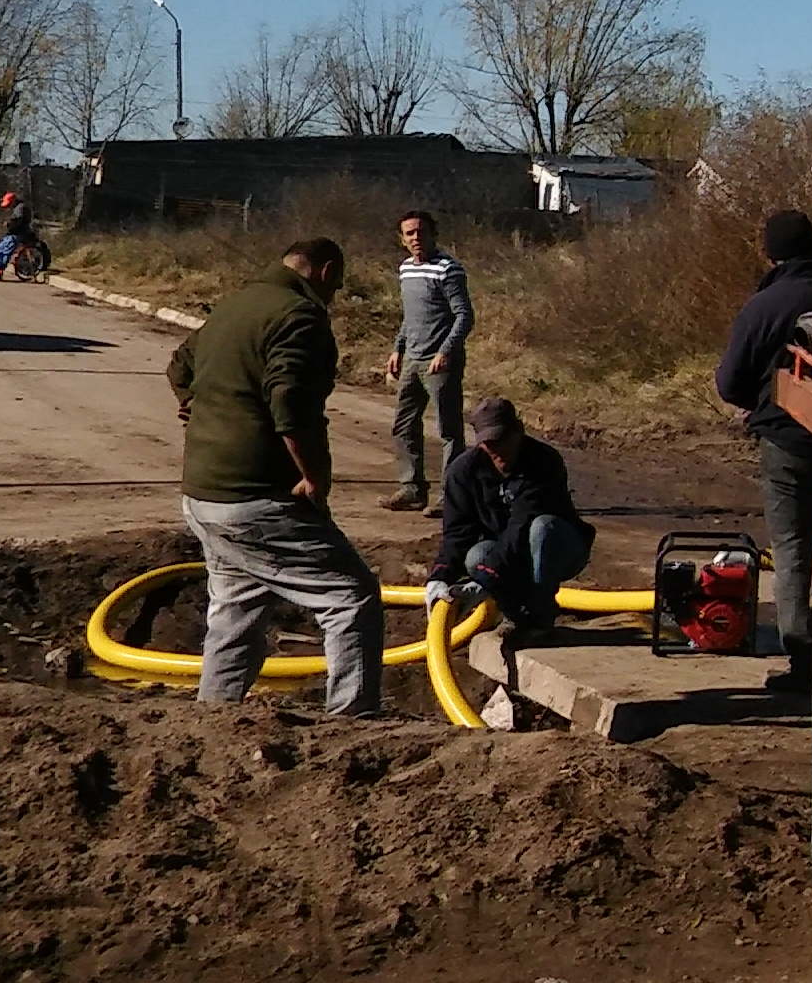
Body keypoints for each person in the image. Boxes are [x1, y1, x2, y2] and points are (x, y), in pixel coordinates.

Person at [165, 236, 384, 716]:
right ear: (325, 272)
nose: (335, 295)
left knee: (236, 609)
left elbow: (179, 365)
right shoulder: (299, 316)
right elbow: (291, 405)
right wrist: (314, 476)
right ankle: (353, 723)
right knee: (350, 596)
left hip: (203, 495)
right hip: (254, 495)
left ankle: (213, 719)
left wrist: (199, 406)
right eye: (337, 285)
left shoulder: (234, 305)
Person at [713, 207, 812, 692]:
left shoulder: (764, 306)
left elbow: (730, 383)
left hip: (787, 439)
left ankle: (804, 660)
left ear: (770, 253)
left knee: (792, 547)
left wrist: (761, 402)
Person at [424, 397, 593, 637]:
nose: (497, 449)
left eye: (503, 439)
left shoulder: (543, 461)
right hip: (512, 553)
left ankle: (540, 617)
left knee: (542, 528)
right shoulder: (463, 472)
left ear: (518, 432)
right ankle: (514, 616)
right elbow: (458, 532)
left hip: (559, 549)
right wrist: (439, 577)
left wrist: (488, 578)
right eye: (489, 443)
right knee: (477, 555)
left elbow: (522, 524)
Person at [381, 210, 474, 513]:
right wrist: (397, 349)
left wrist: (445, 351)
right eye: (409, 234)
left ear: (434, 234)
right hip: (413, 358)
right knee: (403, 424)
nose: (416, 238)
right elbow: (410, 316)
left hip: (440, 362)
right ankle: (411, 489)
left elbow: (464, 316)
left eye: (421, 232)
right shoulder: (406, 269)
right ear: (402, 239)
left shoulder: (449, 269)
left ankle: (452, 498)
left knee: (448, 430)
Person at [0, 191, 39, 281]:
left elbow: (19, 221)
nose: (8, 207)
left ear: (13, 201)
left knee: (5, 250)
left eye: (9, 204)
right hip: (14, 233)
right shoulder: (17, 208)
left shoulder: (21, 209)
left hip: (20, 234)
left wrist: (10, 224)